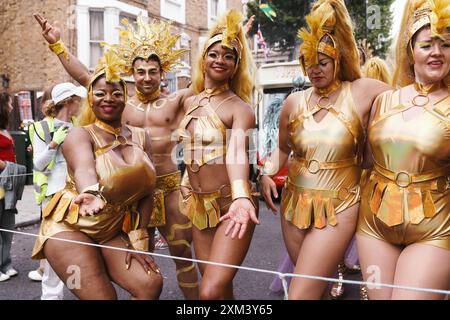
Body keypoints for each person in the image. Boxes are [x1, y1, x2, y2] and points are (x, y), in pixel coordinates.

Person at [33, 13, 199, 299]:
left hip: (168, 188)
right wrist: (58, 46)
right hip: (127, 197)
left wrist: (235, 40)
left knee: (182, 256)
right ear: (131, 75)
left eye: (153, 71)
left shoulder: (177, 100)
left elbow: (208, 80)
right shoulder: (121, 104)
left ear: (163, 72)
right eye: (140, 71)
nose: (147, 77)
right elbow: (86, 77)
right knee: (138, 260)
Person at [259, 0, 391, 299]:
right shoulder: (294, 102)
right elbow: (281, 148)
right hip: (293, 205)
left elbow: (407, 102)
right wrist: (266, 173)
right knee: (313, 290)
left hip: (340, 205)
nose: (314, 69)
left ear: (338, 59)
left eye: (322, 61)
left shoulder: (362, 91)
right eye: (308, 62)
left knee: (300, 293)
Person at [31, 50, 163, 300]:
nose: (108, 99)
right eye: (100, 93)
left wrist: (139, 239)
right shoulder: (79, 134)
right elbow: (83, 167)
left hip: (111, 230)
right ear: (90, 99)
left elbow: (148, 191)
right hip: (69, 228)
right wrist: (90, 192)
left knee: (149, 284)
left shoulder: (141, 136)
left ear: (126, 98)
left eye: (116, 93)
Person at [356, 0, 450, 300]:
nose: (436, 52)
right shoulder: (384, 100)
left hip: (433, 228)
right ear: (411, 51)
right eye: (426, 45)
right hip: (373, 226)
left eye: (446, 45)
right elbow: (366, 161)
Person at [177, 9, 259, 300]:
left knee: (209, 291)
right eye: (214, 54)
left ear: (236, 66)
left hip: (231, 207)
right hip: (199, 207)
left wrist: (240, 195)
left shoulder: (241, 108)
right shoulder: (188, 100)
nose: (220, 60)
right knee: (220, 289)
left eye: (228, 56)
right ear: (203, 59)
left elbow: (237, 151)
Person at [28, 82, 86, 299]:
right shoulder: (40, 127)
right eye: (78, 100)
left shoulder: (78, 126)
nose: (81, 104)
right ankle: (51, 296)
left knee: (80, 250)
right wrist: (54, 143)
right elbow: (39, 165)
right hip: (53, 197)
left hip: (77, 195)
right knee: (55, 250)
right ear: (70, 101)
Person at [0, 92, 26, 282]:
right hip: (1, 182)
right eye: (9, 104)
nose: (11, 107)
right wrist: (10, 167)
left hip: (9, 183)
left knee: (8, 225)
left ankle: (6, 263)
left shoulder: (5, 129)